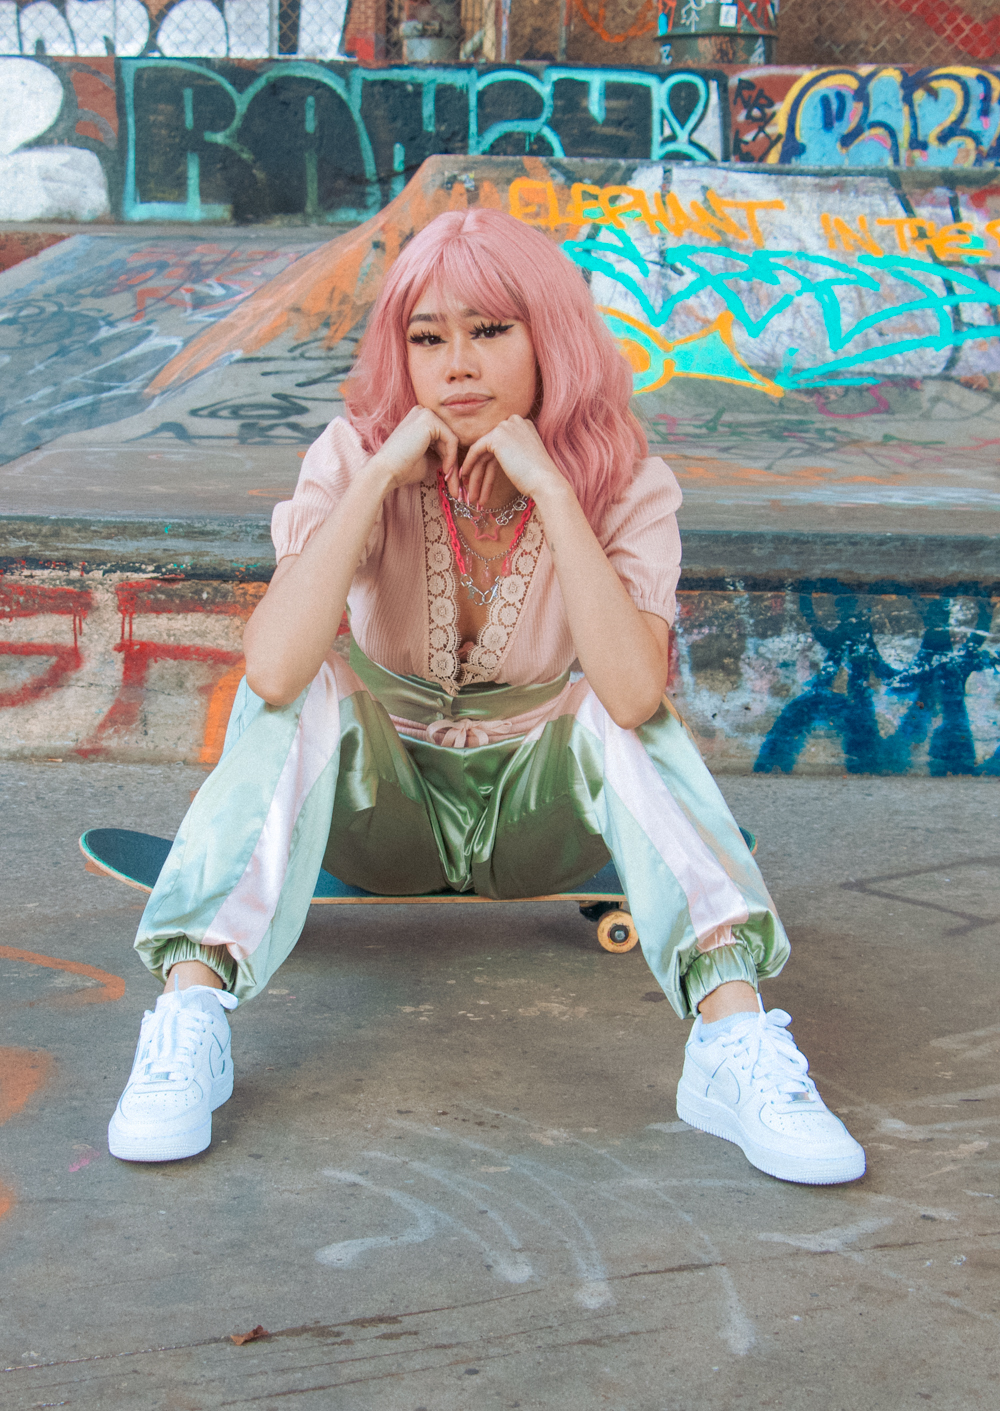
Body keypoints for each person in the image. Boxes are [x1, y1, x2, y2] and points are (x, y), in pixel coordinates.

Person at [107, 208, 865, 1186]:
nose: (457, 365)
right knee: (304, 690)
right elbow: (274, 670)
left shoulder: (626, 481)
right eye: (428, 339)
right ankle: (190, 1019)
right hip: (381, 814)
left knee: (618, 712)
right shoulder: (352, 456)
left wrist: (554, 491)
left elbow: (635, 694)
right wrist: (380, 474)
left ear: (550, 337)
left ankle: (733, 1042)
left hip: (537, 820)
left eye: (491, 331)